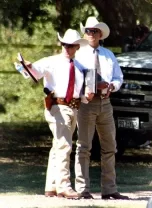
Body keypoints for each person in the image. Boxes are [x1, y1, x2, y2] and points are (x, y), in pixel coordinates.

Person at [15, 29, 88, 199]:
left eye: (70, 46)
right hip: (57, 106)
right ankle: (64, 186)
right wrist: (26, 64)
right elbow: (32, 70)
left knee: (58, 146)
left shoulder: (79, 67)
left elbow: (81, 90)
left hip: (73, 107)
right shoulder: (51, 61)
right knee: (64, 145)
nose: (66, 48)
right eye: (64, 44)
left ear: (77, 47)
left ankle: (52, 186)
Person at [74, 16, 129, 200]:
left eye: (94, 31)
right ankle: (82, 189)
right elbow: (74, 79)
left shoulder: (108, 55)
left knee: (110, 147)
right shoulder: (79, 54)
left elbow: (118, 77)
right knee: (84, 147)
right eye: (88, 31)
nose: (91, 34)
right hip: (86, 103)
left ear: (100, 34)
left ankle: (109, 189)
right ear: (85, 33)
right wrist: (89, 87)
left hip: (105, 103)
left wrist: (112, 86)